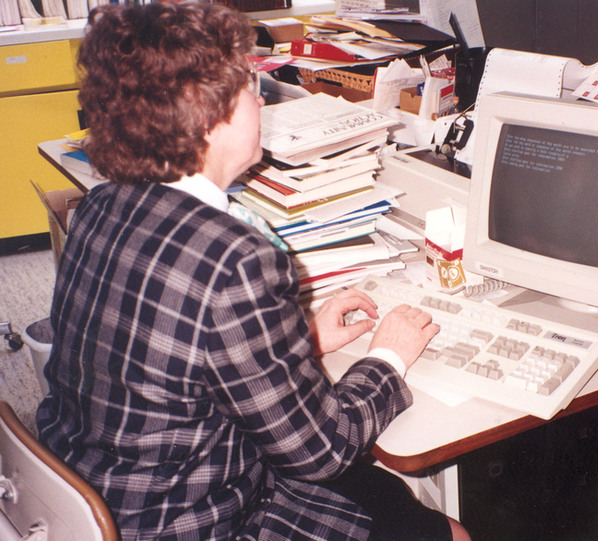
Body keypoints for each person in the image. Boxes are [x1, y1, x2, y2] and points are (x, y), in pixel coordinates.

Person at [36, 2, 471, 541]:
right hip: (191, 521)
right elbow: (321, 451)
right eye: (250, 85)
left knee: (390, 500)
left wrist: (297, 339)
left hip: (96, 495)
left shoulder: (103, 204)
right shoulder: (237, 259)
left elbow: (167, 351)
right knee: (446, 532)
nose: (261, 98)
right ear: (207, 115)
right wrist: (389, 357)